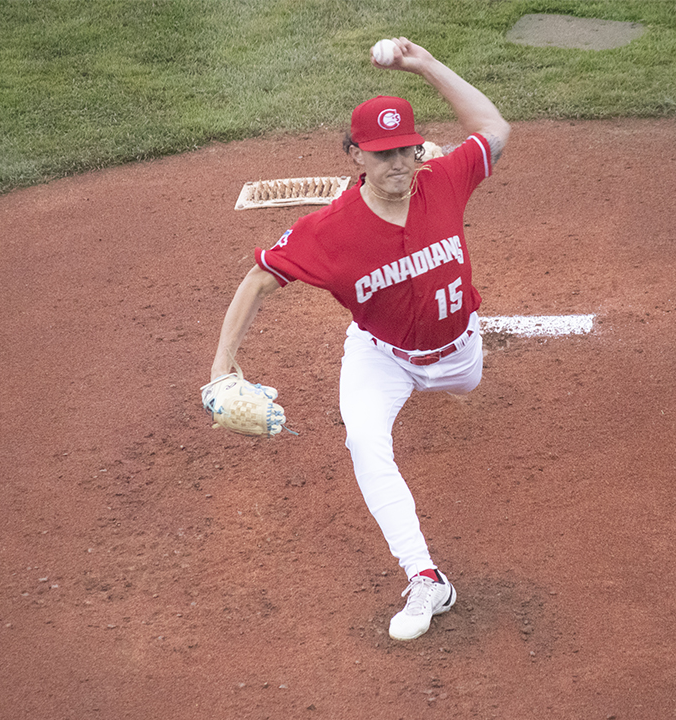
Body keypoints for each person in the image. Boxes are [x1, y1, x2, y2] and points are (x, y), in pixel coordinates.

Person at [206, 37, 510, 640]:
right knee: (365, 441)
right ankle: (427, 578)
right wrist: (221, 368)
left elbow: (495, 126)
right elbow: (259, 278)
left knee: (463, 383)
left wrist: (424, 64)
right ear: (356, 157)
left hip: (459, 357)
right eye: (382, 154)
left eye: (406, 150)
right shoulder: (329, 230)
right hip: (382, 358)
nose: (398, 163)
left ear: (418, 148)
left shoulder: (444, 179)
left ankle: (445, 385)